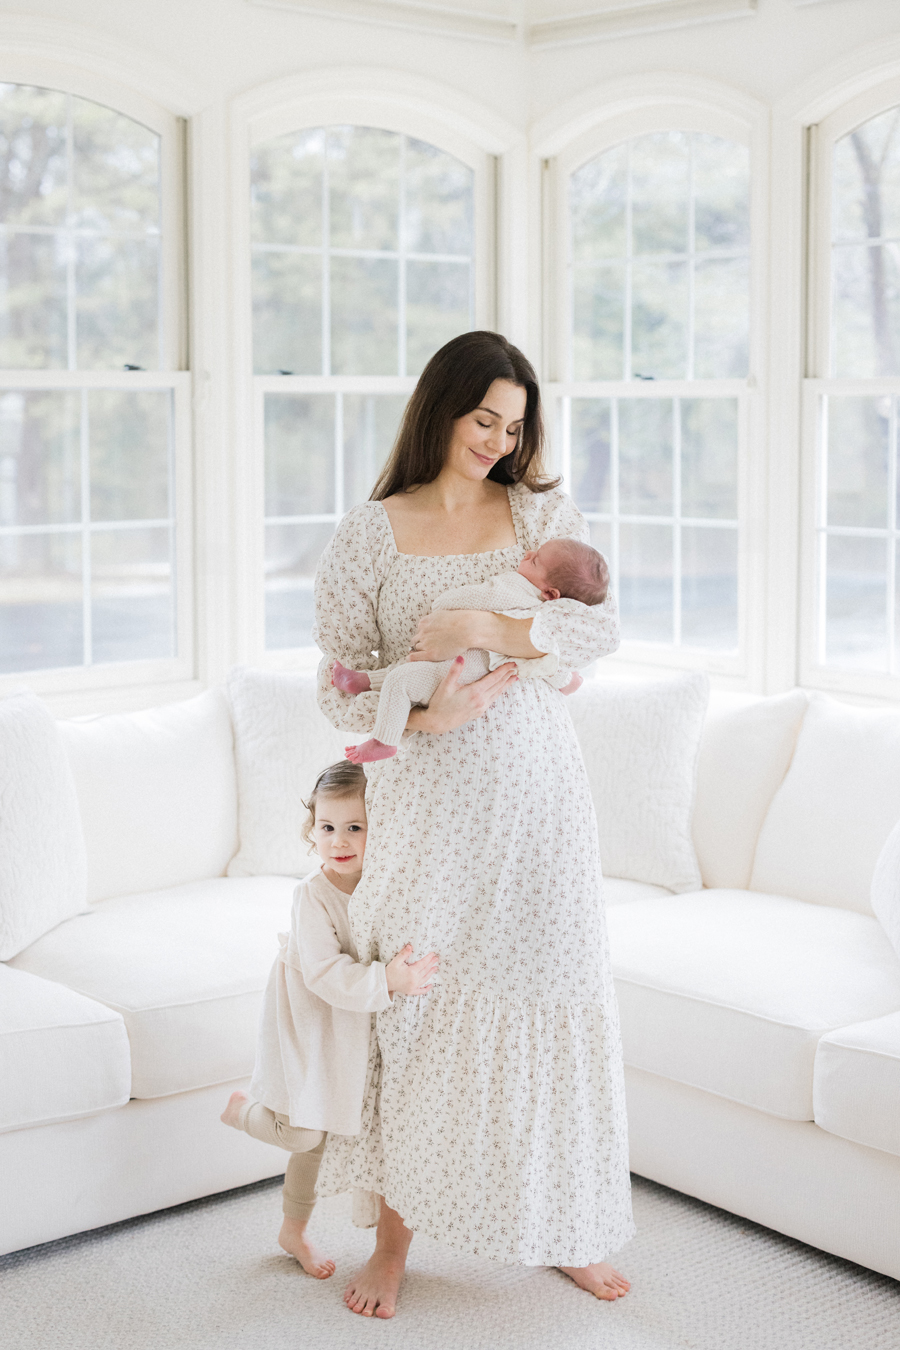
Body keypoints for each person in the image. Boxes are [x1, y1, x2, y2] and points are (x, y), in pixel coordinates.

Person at [313, 330, 634, 1320]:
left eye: (514, 424)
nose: (497, 440)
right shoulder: (372, 529)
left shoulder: (538, 511)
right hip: (425, 809)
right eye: (482, 418)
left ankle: (565, 1225)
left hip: (539, 803)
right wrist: (426, 713)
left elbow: (596, 629)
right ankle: (395, 1245)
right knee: (421, 1011)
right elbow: (335, 683)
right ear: (440, 410)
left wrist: (479, 629)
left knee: (551, 993)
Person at [220, 760, 439, 1279]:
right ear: (311, 830)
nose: (338, 841)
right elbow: (323, 972)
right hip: (309, 1021)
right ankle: (243, 1111)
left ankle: (292, 1231)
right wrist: (388, 980)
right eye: (327, 827)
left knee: (323, 1133)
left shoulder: (382, 885)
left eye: (354, 827)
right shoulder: (312, 894)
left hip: (349, 1027)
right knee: (300, 1133)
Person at [335, 537, 609, 763]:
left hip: (463, 671)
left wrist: (445, 607)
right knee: (413, 669)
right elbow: (546, 662)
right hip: (479, 675)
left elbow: (479, 595)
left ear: (551, 593)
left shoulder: (515, 588)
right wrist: (569, 681)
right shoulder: (549, 621)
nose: (528, 553)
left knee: (403, 679)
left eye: (535, 560)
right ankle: (363, 681)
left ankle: (385, 741)